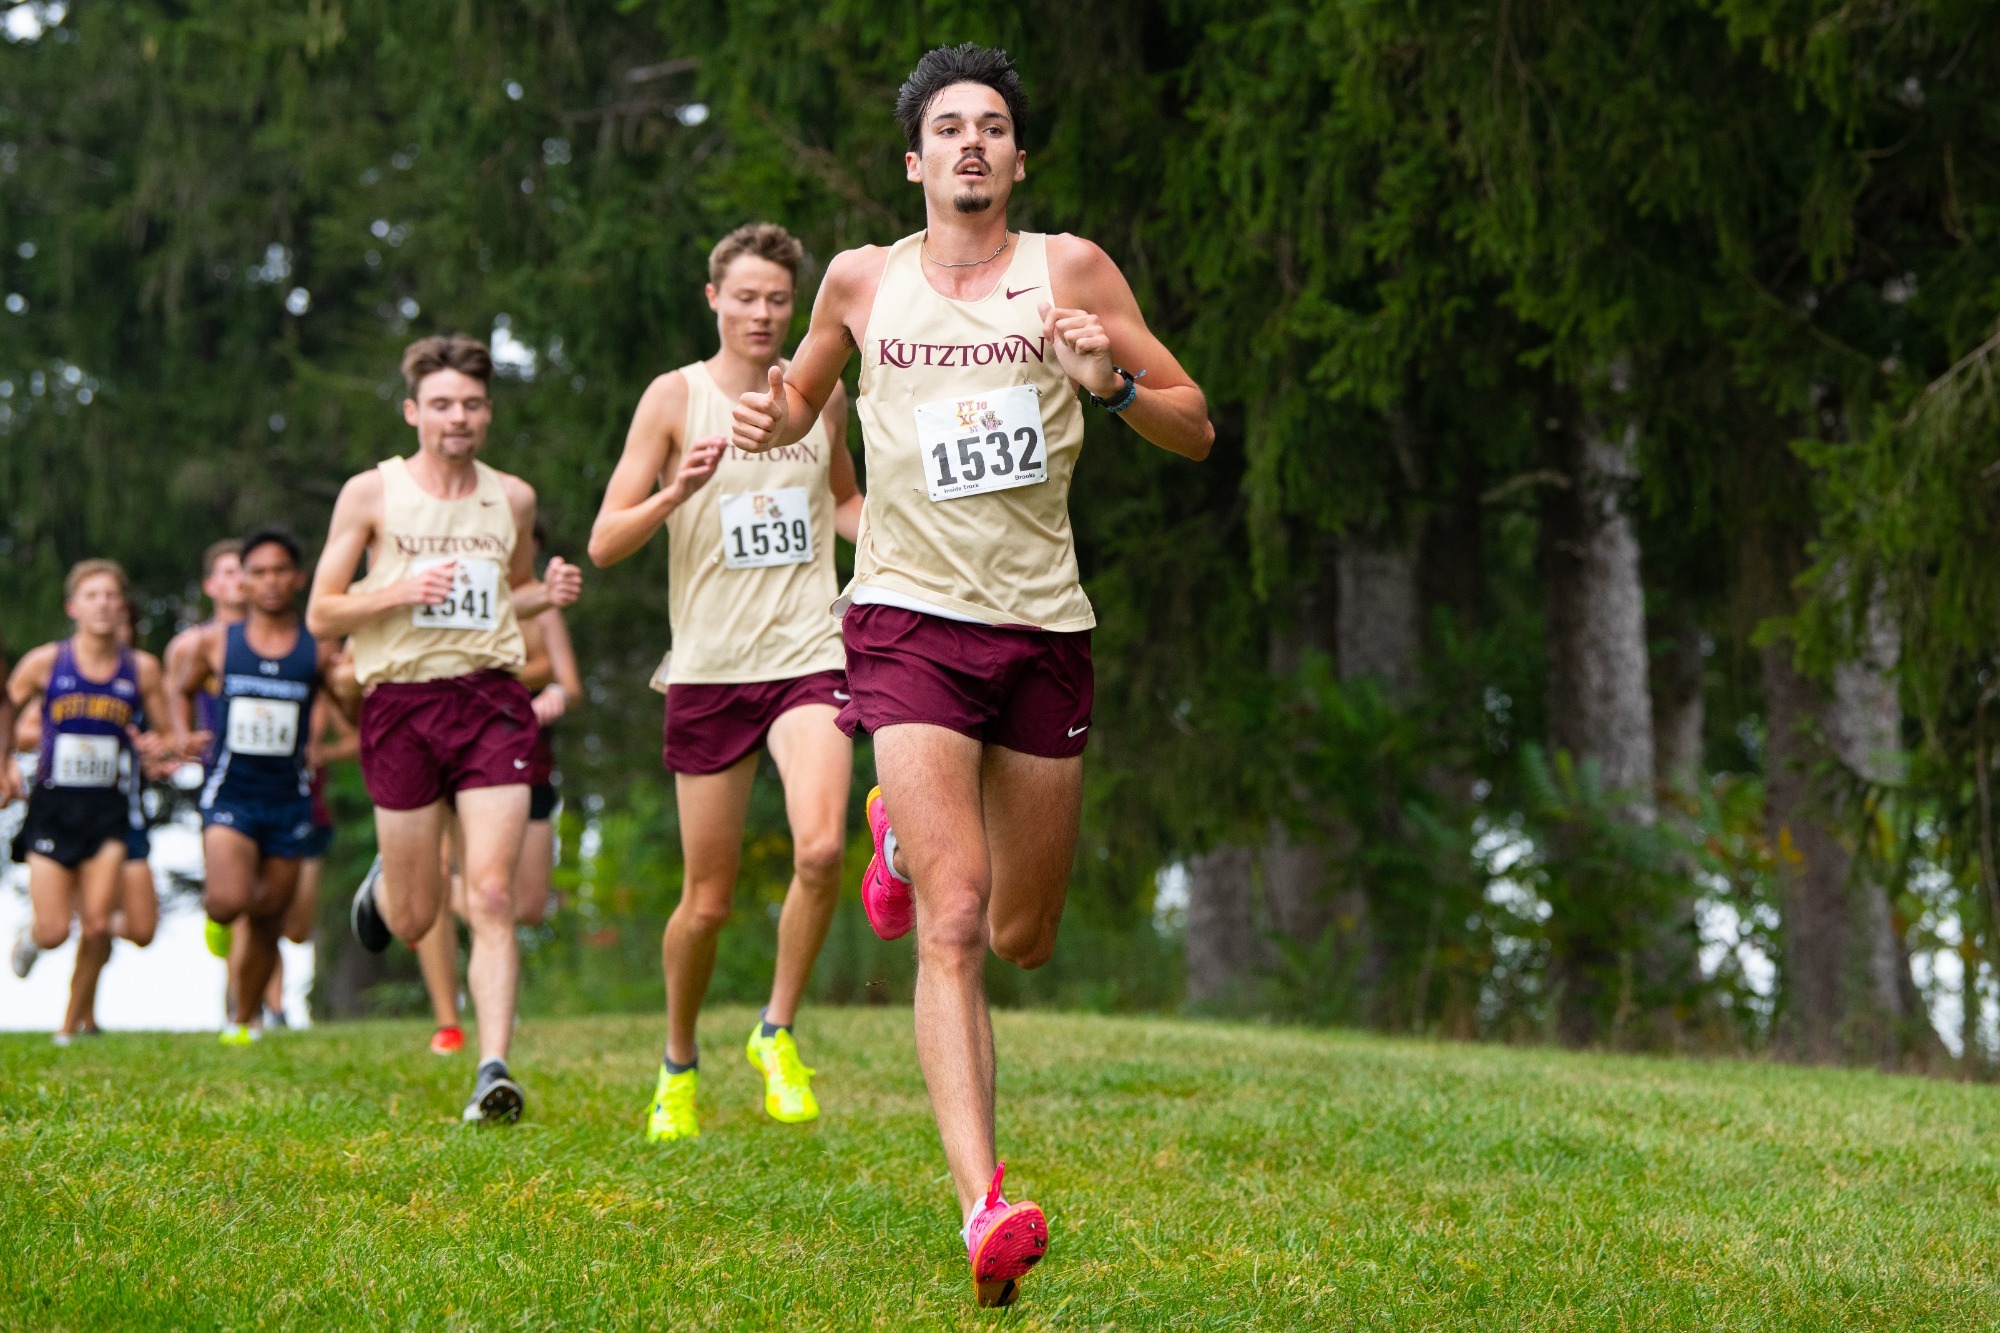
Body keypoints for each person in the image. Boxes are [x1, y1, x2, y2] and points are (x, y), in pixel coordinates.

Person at [728, 46, 1213, 1306]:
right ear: (914, 160)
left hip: (1043, 628)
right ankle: (981, 1206)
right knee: (953, 924)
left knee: (1022, 932)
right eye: (948, 128)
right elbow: (798, 405)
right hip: (904, 620)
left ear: (1016, 156)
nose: (971, 146)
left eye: (992, 127)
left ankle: (888, 844)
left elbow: (1193, 422)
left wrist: (1103, 384)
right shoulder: (859, 280)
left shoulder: (1072, 269)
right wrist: (767, 417)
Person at [591, 221, 863, 1144]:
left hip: (808, 654)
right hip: (710, 669)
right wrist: (676, 491)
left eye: (778, 300)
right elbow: (603, 540)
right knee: (705, 900)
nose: (762, 313)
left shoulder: (817, 394)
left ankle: (776, 1028)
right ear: (714, 299)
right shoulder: (674, 398)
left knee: (822, 849)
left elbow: (846, 505)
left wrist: (905, 538)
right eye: (745, 297)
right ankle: (677, 1060)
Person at [307, 333, 581, 1123]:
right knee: (418, 915)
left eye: (470, 404)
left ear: (487, 414)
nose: (456, 418)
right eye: (440, 405)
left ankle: (493, 1067)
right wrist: (395, 590)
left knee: (491, 892)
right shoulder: (372, 493)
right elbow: (322, 610)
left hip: (491, 700)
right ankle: (392, 883)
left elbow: (510, 592)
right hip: (399, 703)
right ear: (412, 412)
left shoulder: (513, 498)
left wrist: (545, 592)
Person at [416, 522, 581, 1057]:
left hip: (530, 760)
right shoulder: (458, 595)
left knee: (527, 905)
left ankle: (419, 886)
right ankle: (450, 1020)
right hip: (463, 756)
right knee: (475, 890)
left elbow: (567, 680)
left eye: (526, 543)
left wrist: (548, 692)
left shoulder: (543, 607)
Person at [173, 527, 342, 1045]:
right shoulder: (215, 644)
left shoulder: (318, 649)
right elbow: (179, 688)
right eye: (258, 572)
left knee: (270, 917)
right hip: (231, 793)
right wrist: (184, 736)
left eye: (279, 572)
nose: (270, 582)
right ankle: (218, 921)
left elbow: (348, 711)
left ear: (298, 578)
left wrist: (343, 706)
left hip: (289, 798)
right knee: (229, 901)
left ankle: (242, 1020)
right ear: (243, 581)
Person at [4, 561, 179, 1042]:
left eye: (111, 596)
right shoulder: (45, 662)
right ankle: (33, 936)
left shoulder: (141, 668)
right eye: (92, 595)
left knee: (99, 925)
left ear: (121, 607)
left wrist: (156, 748)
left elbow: (165, 734)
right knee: (57, 929)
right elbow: (8, 713)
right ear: (73, 607)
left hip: (109, 811)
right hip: (53, 809)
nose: (102, 604)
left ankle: (68, 1028)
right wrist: (12, 754)